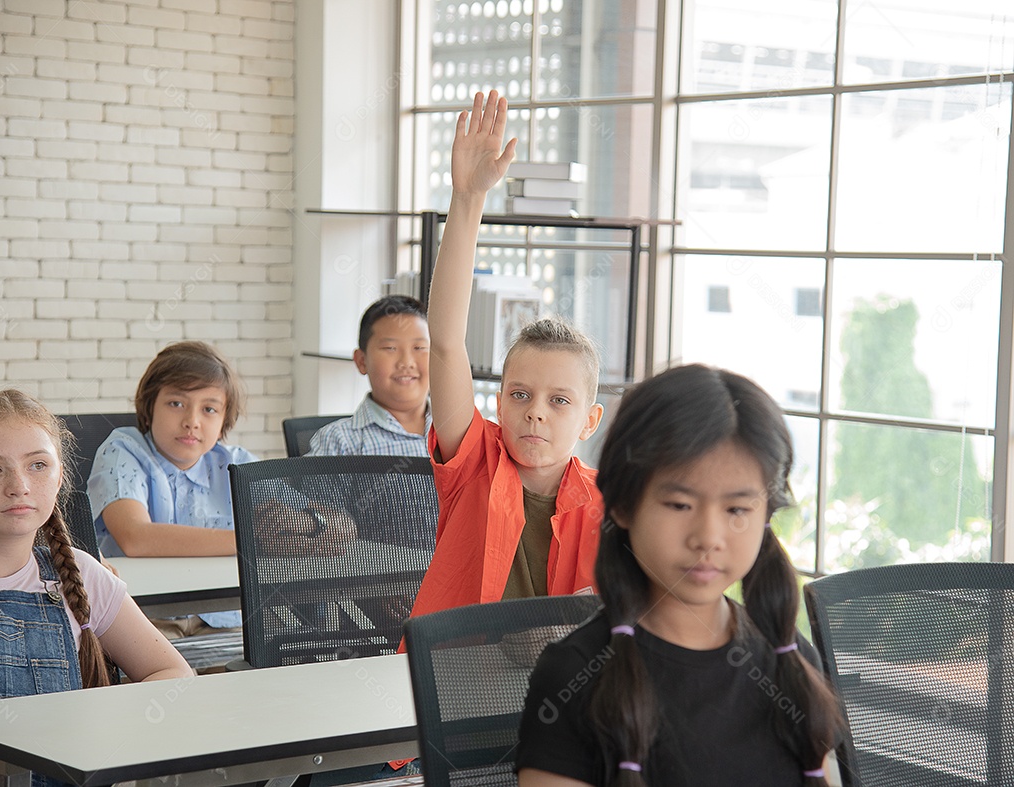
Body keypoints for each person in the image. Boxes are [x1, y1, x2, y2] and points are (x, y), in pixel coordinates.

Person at [516, 364, 844, 787]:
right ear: (623, 506)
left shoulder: (792, 661)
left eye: (737, 510)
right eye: (679, 504)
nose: (708, 537)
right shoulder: (573, 676)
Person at [407, 90, 605, 620]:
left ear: (590, 421)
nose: (535, 411)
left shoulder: (606, 507)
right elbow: (446, 342)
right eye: (520, 394)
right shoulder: (473, 462)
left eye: (559, 400)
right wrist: (468, 198)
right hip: (456, 684)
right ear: (499, 402)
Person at [0, 390, 192, 785]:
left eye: (38, 465)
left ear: (59, 479)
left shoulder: (82, 573)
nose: (19, 485)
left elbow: (173, 672)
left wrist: (96, 719)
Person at [87, 341, 257, 634]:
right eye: (176, 404)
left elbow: (295, 516)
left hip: (224, 613)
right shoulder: (123, 450)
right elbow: (135, 538)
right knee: (166, 675)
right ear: (150, 405)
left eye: (209, 409)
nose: (192, 422)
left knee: (245, 674)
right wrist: (250, 538)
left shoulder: (236, 462)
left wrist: (311, 523)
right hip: (142, 614)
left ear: (224, 419)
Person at [307, 295, 431, 457]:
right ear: (362, 361)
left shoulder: (458, 431)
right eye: (390, 348)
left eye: (419, 347)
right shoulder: (338, 441)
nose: (407, 363)